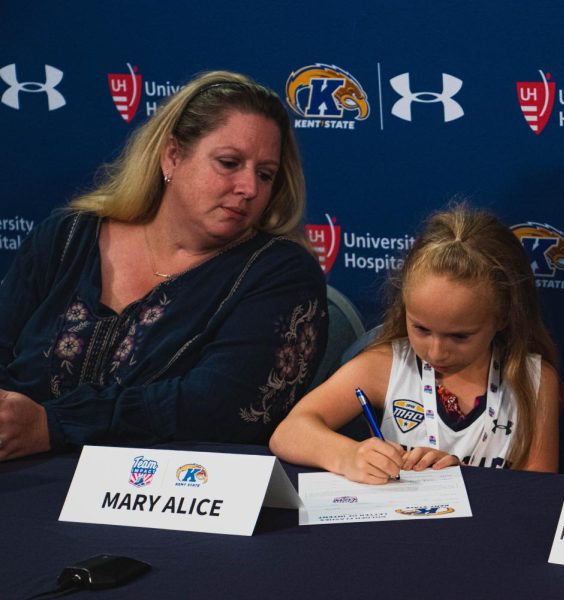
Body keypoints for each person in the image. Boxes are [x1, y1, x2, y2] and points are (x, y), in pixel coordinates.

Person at [0, 71, 328, 461]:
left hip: (169, 500)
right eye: (228, 162)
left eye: (265, 174)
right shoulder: (66, 237)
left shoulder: (281, 274)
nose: (249, 188)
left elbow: (220, 407)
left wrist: (52, 426)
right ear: (172, 155)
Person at [270, 204, 560, 483]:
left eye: (460, 336)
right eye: (421, 328)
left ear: (503, 317)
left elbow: (539, 490)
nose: (436, 351)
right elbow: (289, 432)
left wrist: (464, 479)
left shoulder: (533, 380)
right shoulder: (384, 365)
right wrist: (350, 455)